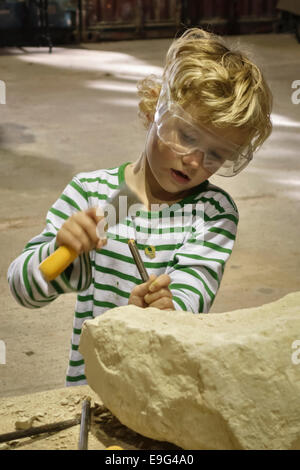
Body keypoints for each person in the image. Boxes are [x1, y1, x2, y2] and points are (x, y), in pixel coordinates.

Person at [7, 28, 273, 386]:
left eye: (216, 154)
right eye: (188, 136)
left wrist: (167, 309)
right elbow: (24, 290)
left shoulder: (211, 213)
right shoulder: (94, 196)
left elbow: (191, 296)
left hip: (163, 388)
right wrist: (60, 250)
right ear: (155, 111)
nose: (194, 161)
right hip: (93, 389)